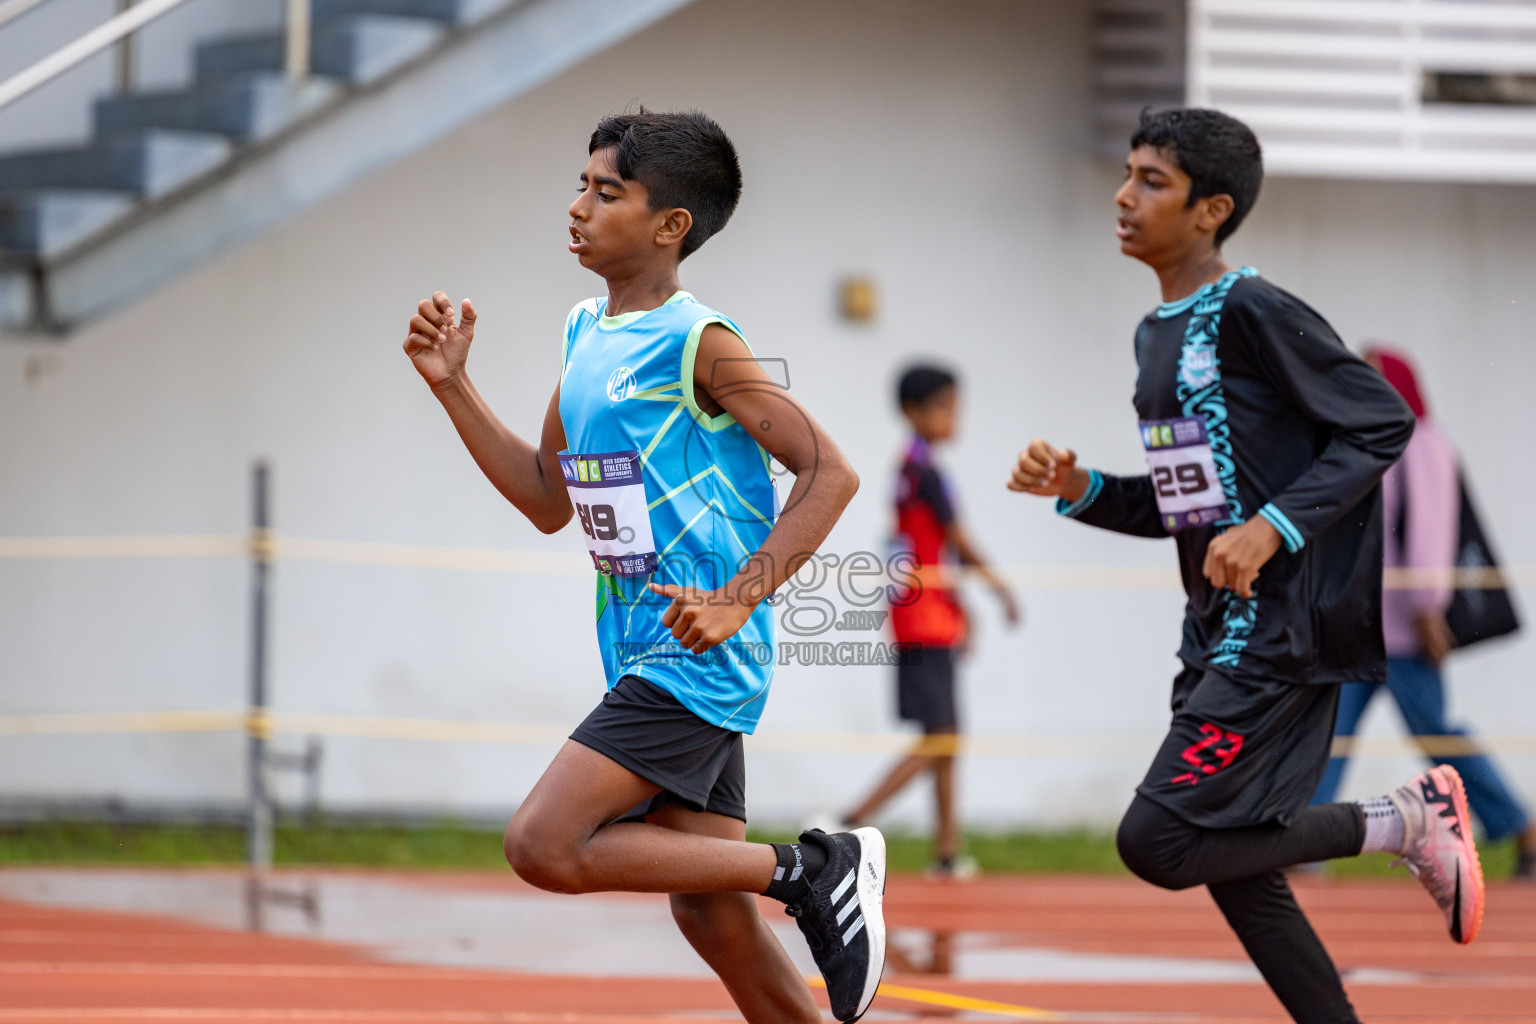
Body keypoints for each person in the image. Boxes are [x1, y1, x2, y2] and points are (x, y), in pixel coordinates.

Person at [402, 110, 886, 1023]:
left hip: (696, 651)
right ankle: (801, 888)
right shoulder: (586, 329)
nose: (579, 206)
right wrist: (454, 385)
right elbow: (547, 495)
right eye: (581, 185)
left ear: (672, 225)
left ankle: (816, 868)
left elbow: (832, 471)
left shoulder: (699, 342)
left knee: (544, 843)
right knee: (711, 911)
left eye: (606, 191)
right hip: (639, 645)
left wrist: (737, 601)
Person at [1007, 107, 1484, 1024]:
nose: (1124, 194)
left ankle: (1406, 817)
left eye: (1153, 180)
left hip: (1285, 623)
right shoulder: (1158, 337)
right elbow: (1188, 506)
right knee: (1240, 865)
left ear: (1211, 210)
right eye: (1129, 173)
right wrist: (1082, 486)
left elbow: (1380, 422)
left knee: (1159, 840)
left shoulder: (1256, 309)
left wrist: (1273, 527)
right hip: (1217, 627)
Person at [1312, 345, 1534, 879]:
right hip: (1361, 632)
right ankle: (1303, 844)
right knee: (1327, 736)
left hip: (1408, 632)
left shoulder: (1422, 443)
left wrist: (1429, 608)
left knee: (1437, 735)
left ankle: (1523, 828)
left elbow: (1433, 530)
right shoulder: (1369, 444)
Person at [839, 365, 1019, 875]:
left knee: (947, 735)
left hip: (927, 609)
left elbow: (924, 548)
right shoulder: (925, 473)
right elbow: (955, 542)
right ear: (912, 413)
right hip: (925, 616)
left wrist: (962, 609)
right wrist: (999, 589)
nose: (953, 417)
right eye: (943, 406)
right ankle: (848, 820)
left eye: (955, 406)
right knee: (941, 737)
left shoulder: (909, 469)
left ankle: (945, 850)